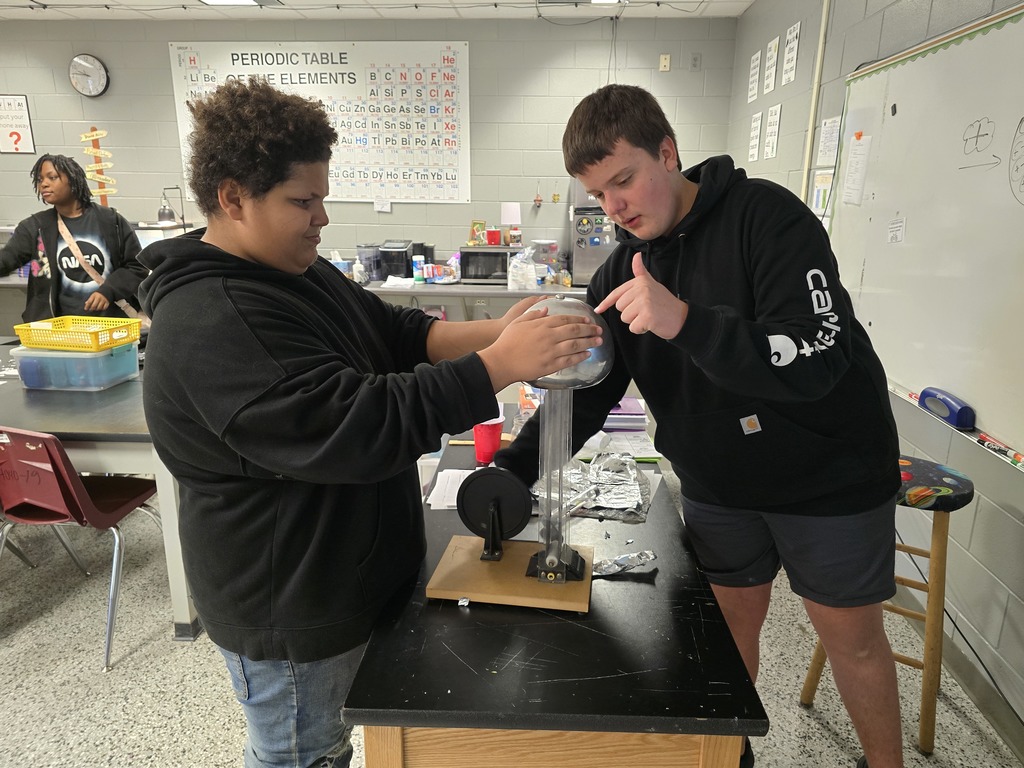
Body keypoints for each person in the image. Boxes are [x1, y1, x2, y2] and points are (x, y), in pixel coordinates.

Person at [136, 78, 601, 768]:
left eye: (322, 197)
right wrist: (498, 366)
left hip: (341, 576)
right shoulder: (214, 319)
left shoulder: (293, 270)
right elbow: (357, 427)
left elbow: (394, 330)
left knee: (341, 741)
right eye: (303, 201)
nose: (321, 217)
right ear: (233, 198)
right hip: (292, 604)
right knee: (302, 751)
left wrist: (494, 333)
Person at [494, 84, 903, 768]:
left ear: (667, 152)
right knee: (728, 628)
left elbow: (816, 356)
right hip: (720, 481)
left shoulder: (767, 217)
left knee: (850, 639)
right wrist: (511, 470)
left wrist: (684, 320)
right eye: (598, 194)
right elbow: (590, 393)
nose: (615, 206)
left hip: (828, 475)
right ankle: (725, 756)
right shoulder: (623, 269)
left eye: (624, 180)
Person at [0, 154, 147, 322]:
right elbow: (6, 260)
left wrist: (108, 291)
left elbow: (137, 266)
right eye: (40, 180)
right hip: (57, 330)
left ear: (72, 179)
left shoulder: (110, 220)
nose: (44, 184)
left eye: (52, 177)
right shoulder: (35, 227)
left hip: (110, 326)